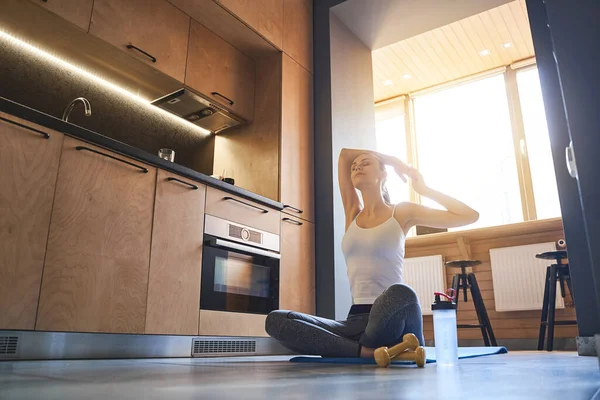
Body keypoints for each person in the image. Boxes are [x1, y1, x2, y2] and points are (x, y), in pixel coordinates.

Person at [265, 148, 479, 358]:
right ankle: (366, 351)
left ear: (383, 174)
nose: (357, 166)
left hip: (393, 314)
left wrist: (424, 190)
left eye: (366, 163)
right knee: (276, 320)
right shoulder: (352, 213)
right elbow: (344, 155)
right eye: (355, 167)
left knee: (401, 292)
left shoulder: (401, 212)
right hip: (356, 323)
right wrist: (391, 159)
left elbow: (469, 215)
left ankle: (353, 349)